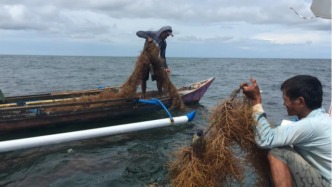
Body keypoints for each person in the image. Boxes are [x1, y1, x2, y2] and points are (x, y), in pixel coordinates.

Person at [240, 75, 331, 186]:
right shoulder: (322, 118)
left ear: (300, 102)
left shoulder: (310, 125)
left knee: (278, 151)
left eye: (285, 100)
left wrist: (256, 101)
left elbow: (265, 139)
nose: (284, 104)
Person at [136, 26, 173, 96]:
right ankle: (143, 94)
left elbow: (162, 57)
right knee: (143, 78)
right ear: (163, 32)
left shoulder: (163, 43)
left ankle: (160, 94)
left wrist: (166, 67)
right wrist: (147, 38)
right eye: (167, 35)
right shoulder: (152, 34)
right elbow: (138, 33)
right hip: (145, 59)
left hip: (155, 60)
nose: (167, 37)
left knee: (159, 77)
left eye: (168, 35)